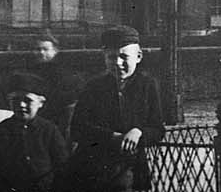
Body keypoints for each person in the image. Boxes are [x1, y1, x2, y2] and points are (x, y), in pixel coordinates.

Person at [66, 27, 167, 192]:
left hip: (130, 169)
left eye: (124, 57)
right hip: (92, 170)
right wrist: (112, 137)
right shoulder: (93, 86)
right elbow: (78, 129)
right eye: (112, 57)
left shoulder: (147, 86)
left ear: (139, 56)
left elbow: (157, 129)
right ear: (104, 58)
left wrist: (139, 132)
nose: (118, 63)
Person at [0, 79, 71, 192]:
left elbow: (62, 164)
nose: (21, 105)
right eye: (15, 99)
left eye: (28, 100)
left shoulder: (49, 130)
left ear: (41, 103)